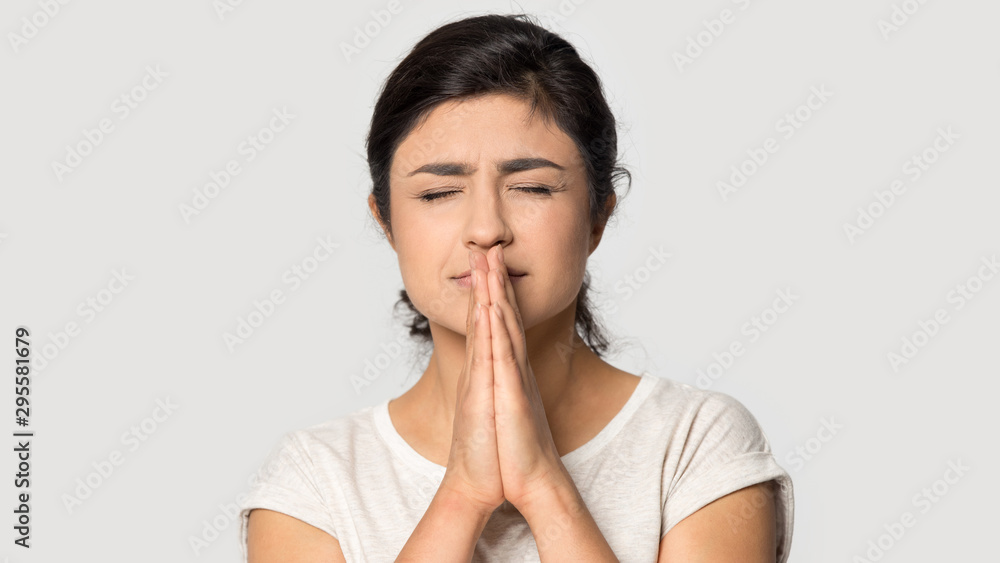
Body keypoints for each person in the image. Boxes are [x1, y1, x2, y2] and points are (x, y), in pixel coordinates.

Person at [239, 13, 793, 562]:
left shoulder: (698, 443)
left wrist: (542, 484)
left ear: (597, 216)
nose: (486, 229)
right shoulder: (314, 482)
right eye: (437, 194)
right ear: (386, 221)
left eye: (531, 187)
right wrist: (462, 495)